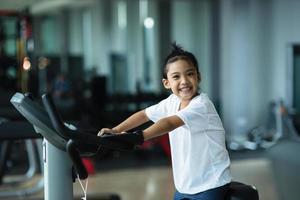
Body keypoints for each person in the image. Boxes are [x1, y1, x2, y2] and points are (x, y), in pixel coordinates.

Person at [98, 43, 231, 200]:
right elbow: (144, 114)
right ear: (166, 83)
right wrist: (116, 130)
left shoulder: (202, 105)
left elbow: (169, 123)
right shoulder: (172, 101)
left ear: (198, 76)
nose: (184, 81)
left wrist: (139, 136)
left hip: (211, 183)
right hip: (185, 185)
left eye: (190, 74)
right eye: (176, 76)